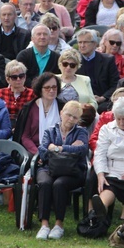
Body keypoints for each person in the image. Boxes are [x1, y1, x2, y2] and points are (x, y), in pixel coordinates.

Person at [35, 100, 89, 240]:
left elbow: (82, 150)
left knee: (59, 184)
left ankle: (59, 225)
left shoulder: (81, 132)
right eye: (68, 115)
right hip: (48, 168)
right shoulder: (50, 130)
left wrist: (58, 148)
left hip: (72, 171)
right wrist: (70, 150)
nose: (71, 119)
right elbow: (42, 150)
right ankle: (44, 225)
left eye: (75, 117)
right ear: (61, 113)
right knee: (45, 183)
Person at [14, 72, 64, 155]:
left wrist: (56, 149)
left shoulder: (63, 107)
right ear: (40, 89)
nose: (51, 90)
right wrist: (38, 152)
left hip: (57, 150)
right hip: (34, 150)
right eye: (47, 88)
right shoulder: (29, 108)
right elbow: (25, 136)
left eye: (54, 87)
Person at [75, 29, 120, 113]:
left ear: (95, 44)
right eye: (80, 42)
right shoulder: (73, 61)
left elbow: (115, 84)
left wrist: (102, 97)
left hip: (103, 101)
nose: (82, 45)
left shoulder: (108, 60)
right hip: (80, 101)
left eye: (85, 42)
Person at [0, 60, 35, 126]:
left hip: (25, 127)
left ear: (25, 77)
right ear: (7, 79)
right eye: (14, 77)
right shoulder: (0, 93)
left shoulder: (33, 94)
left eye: (21, 76)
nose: (18, 79)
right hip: (4, 126)